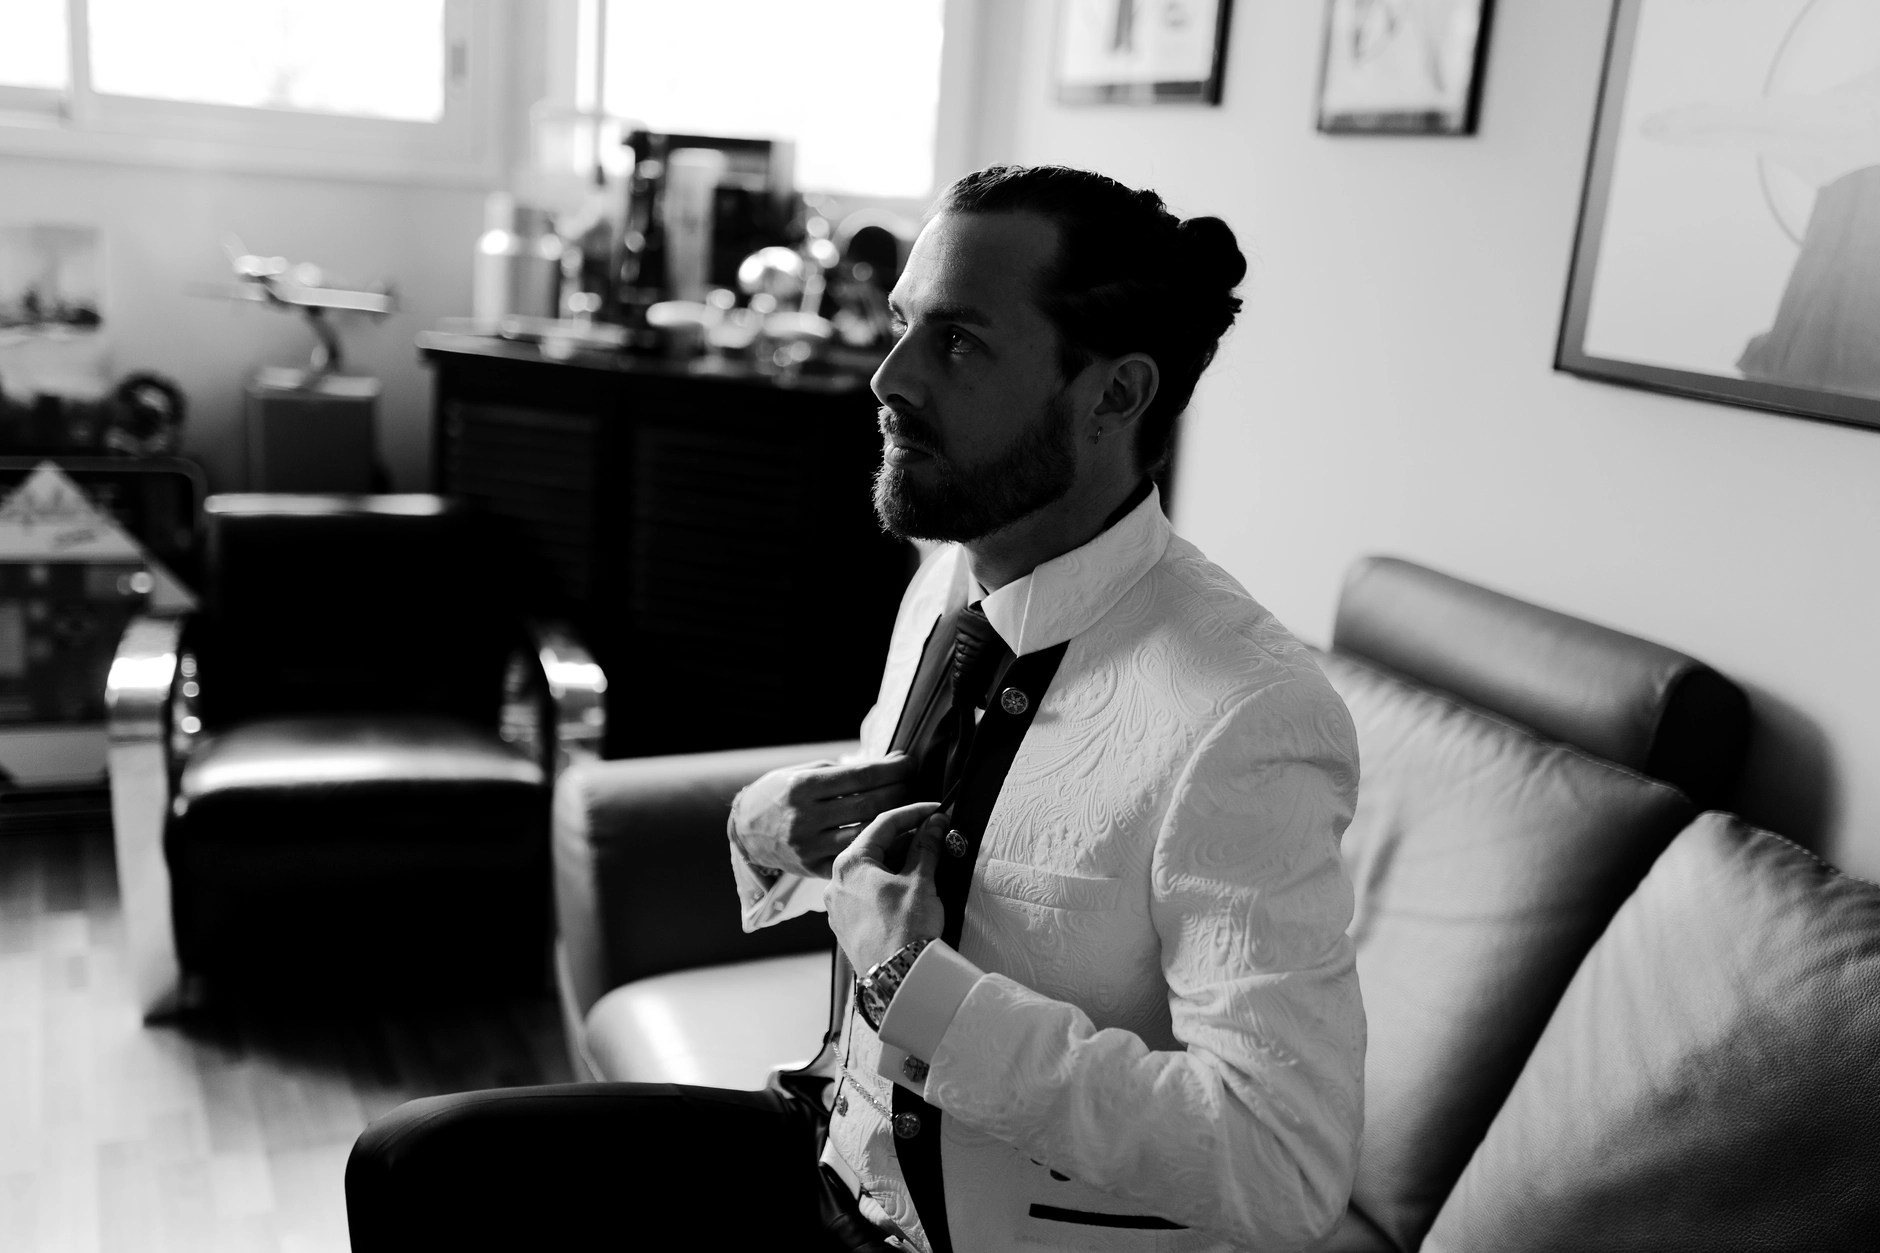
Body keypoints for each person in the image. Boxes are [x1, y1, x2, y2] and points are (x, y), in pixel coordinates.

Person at [346, 165, 1363, 1253]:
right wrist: (773, 823)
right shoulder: (948, 576)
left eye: (958, 341)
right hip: (824, 1150)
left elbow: (1280, 1162)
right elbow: (937, 832)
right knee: (416, 1166)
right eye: (901, 325)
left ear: (1112, 395)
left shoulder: (1244, 712)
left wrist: (909, 987)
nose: (886, 377)